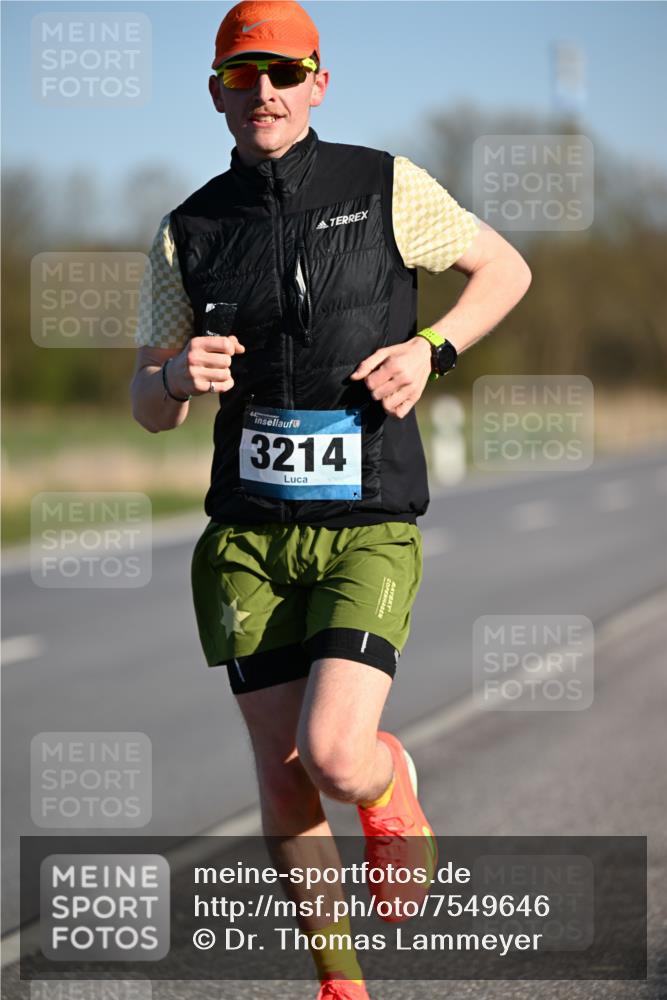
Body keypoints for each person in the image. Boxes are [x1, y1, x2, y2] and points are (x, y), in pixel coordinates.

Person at [130, 2, 532, 996]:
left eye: (280, 72)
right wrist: (179, 375)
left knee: (334, 752)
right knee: (282, 775)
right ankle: (338, 979)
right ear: (216, 92)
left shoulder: (385, 184)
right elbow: (146, 400)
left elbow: (504, 268)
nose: (260, 91)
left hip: (365, 519)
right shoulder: (188, 230)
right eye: (239, 76)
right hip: (249, 538)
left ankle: (390, 788)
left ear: (317, 80)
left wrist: (432, 349)